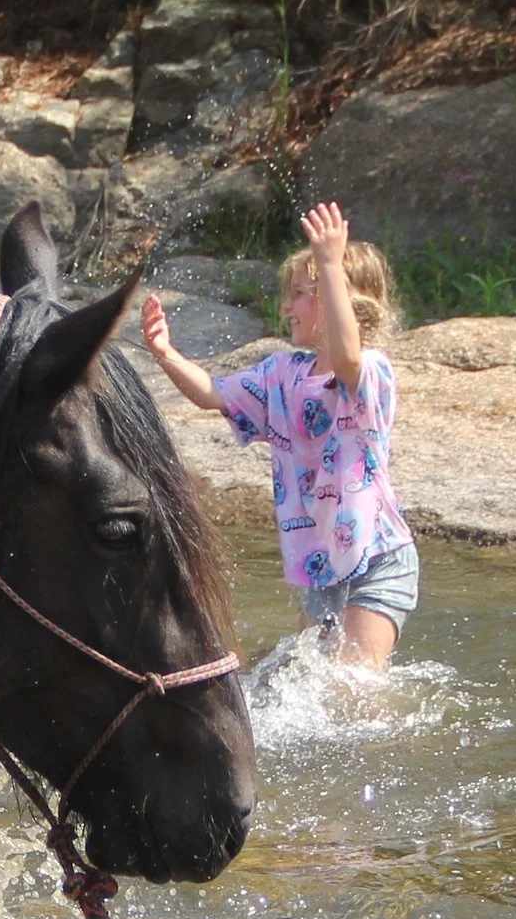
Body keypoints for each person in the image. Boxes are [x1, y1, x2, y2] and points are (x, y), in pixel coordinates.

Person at [140, 201, 418, 670]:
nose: (286, 306)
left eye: (301, 294)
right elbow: (212, 394)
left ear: (341, 300)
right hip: (320, 566)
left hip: (379, 558)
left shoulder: (371, 372)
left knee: (356, 685)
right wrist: (166, 353)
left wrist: (329, 263)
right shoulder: (281, 374)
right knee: (309, 680)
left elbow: (347, 358)